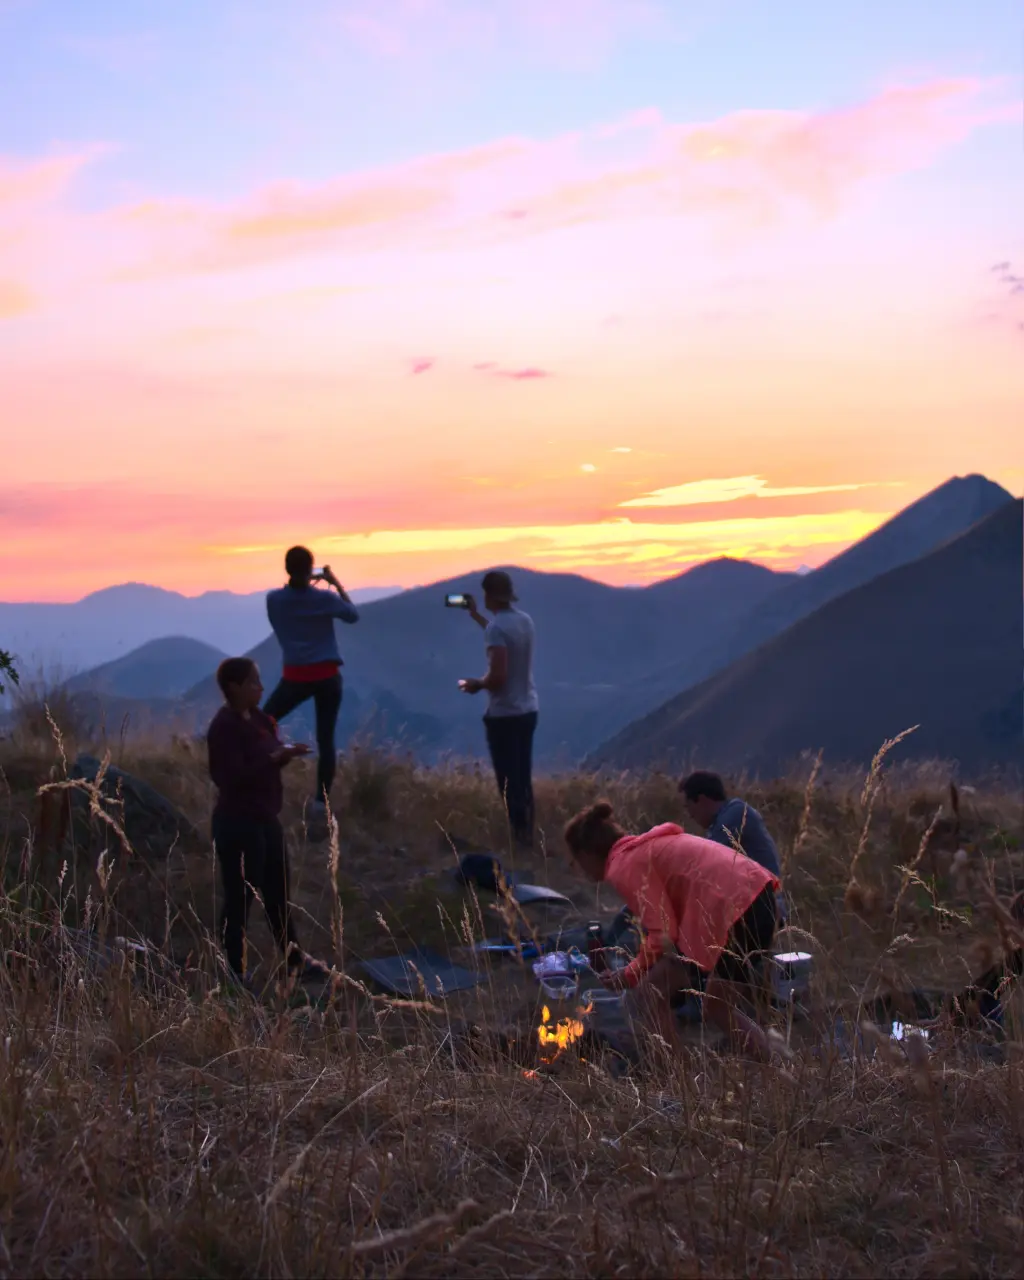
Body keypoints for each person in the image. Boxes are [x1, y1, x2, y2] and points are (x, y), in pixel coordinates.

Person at [563, 801, 780, 1061]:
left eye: (576, 862)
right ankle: (768, 1061)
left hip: (738, 910)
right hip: (755, 896)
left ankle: (680, 1076)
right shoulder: (643, 849)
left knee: (682, 1000)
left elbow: (662, 933)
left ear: (586, 854)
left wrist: (630, 974)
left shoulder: (623, 865)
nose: (580, 870)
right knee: (670, 993)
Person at [207, 656, 327, 984]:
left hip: (265, 818)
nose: (260, 687)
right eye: (253, 682)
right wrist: (274, 759)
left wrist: (282, 756)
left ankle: (294, 961)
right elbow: (229, 778)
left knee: (277, 892)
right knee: (241, 896)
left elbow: (268, 761)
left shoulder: (261, 719)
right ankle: (233, 970)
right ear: (234, 687)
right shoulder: (224, 727)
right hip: (237, 822)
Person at [264, 546, 359, 819]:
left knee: (264, 720)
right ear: (311, 569)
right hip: (328, 676)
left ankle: (264, 768)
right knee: (326, 738)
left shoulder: (274, 600)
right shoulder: (324, 598)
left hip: (295, 676)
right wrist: (334, 582)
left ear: (286, 568)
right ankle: (321, 802)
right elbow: (352, 614)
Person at [457, 570, 539, 851]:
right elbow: (504, 637)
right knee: (523, 774)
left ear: (488, 594)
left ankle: (520, 840)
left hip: (505, 714)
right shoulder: (524, 621)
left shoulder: (497, 629)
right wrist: (477, 617)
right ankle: (527, 833)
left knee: (508, 779)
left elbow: (498, 676)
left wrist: (476, 684)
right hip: (528, 708)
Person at [679, 770, 788, 923]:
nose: (690, 814)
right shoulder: (725, 819)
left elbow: (704, 863)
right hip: (758, 909)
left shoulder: (735, 815)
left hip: (762, 912)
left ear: (702, 800)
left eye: (688, 806)